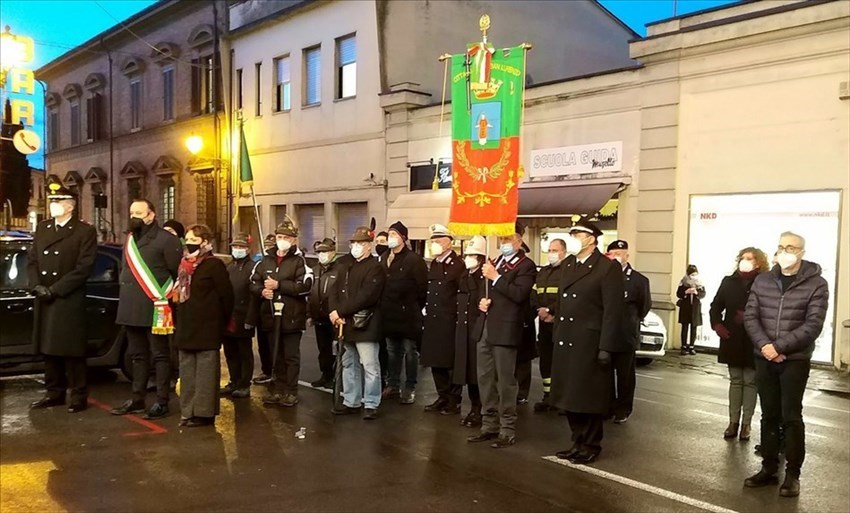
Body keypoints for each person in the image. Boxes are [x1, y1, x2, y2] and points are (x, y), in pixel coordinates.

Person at [743, 232, 828, 498]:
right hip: (764, 357)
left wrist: (779, 347)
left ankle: (792, 475)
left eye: (790, 247)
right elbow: (751, 316)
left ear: (802, 252)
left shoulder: (817, 284)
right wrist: (766, 348)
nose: (785, 252)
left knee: (791, 417)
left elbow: (813, 324)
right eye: (780, 247)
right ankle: (769, 468)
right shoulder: (763, 279)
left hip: (794, 360)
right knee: (768, 415)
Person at [549, 219, 624, 464]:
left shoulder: (605, 267)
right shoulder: (569, 263)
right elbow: (561, 302)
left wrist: (606, 346)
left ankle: (591, 444)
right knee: (570, 395)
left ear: (591, 238)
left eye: (578, 234)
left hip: (589, 339)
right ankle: (577, 441)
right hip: (567, 337)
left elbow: (613, 310)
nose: (574, 238)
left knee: (587, 396)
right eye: (572, 233)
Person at [28, 181, 97, 413]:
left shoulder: (84, 231)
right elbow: (32, 260)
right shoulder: (44, 228)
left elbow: (84, 267)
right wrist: (36, 285)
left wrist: (55, 289)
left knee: (71, 350)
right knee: (49, 349)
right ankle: (54, 393)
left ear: (70, 206)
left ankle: (78, 395)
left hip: (66, 295)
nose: (53, 205)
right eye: (52, 202)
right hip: (44, 294)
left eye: (57, 202)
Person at [110, 199, 183, 419]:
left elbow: (175, 274)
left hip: (155, 306)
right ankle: (137, 398)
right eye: (132, 212)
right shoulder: (131, 238)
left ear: (151, 215)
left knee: (160, 355)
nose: (134, 216)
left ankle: (162, 401)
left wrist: (165, 298)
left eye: (139, 212)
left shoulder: (166, 240)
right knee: (137, 355)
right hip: (131, 306)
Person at [468, 223, 537, 449]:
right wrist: (482, 301)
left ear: (519, 240)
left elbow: (519, 294)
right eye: (501, 239)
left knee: (505, 380)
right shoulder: (495, 261)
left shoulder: (526, 265)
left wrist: (497, 277)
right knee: (485, 379)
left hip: (506, 330)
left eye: (508, 239)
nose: (504, 243)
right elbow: (484, 290)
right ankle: (489, 424)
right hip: (486, 327)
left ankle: (507, 427)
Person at [173, 225, 234, 427]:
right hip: (185, 326)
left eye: (194, 240)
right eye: (187, 239)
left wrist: (222, 322)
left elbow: (227, 296)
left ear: (205, 242)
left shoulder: (214, 265)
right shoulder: (183, 265)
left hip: (207, 327)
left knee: (206, 373)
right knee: (187, 372)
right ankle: (187, 411)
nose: (189, 243)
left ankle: (204, 414)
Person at [251, 221, 312, 407]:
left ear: (294, 240)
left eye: (286, 238)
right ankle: (277, 389)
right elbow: (253, 282)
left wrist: (280, 286)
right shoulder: (265, 260)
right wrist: (262, 291)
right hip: (270, 316)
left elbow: (305, 286)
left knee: (291, 356)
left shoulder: (299, 261)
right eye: (279, 237)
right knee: (275, 354)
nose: (282, 241)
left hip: (291, 317)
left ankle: (291, 391)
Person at [710, 247, 768, 441]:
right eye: (743, 258)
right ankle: (733, 422)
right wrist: (717, 324)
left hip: (754, 339)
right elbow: (716, 305)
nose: (745, 261)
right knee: (736, 380)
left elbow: (770, 310)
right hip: (732, 338)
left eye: (750, 258)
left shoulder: (765, 282)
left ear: (758, 262)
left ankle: (746, 424)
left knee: (750, 381)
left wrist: (751, 318)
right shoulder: (729, 281)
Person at [329, 226, 386, 420]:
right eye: (354, 243)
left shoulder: (376, 267)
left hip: (366, 324)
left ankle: (371, 403)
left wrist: (341, 311)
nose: (356, 246)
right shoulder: (346, 266)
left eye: (361, 243)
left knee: (370, 365)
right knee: (348, 364)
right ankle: (351, 401)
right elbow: (335, 290)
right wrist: (334, 312)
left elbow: (367, 296)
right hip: (346, 323)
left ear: (369, 246)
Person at [379, 221, 427, 404]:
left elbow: (423, 288)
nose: (391, 238)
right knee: (392, 351)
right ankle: (393, 384)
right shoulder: (384, 257)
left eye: (394, 235)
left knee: (410, 351)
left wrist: (413, 306)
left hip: (408, 315)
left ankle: (410, 387)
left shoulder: (414, 260)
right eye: (390, 234)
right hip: (389, 315)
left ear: (403, 238)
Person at [421, 224, 466, 414]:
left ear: (449, 243)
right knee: (435, 360)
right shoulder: (435, 263)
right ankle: (442, 395)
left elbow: (461, 292)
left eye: (439, 241)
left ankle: (453, 400)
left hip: (449, 320)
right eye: (433, 241)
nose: (435, 245)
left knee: (450, 362)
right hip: (433, 319)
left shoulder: (457, 264)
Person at [605, 240, 651, 424]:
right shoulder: (604, 277)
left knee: (624, 375)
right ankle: (606, 406)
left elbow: (644, 307)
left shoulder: (639, 280)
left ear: (627, 255)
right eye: (612, 253)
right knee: (605, 373)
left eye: (619, 252)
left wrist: (630, 322)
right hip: (606, 333)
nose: (616, 256)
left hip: (625, 334)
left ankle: (623, 409)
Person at [452, 236, 487, 428]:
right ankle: (474, 407)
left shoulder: (483, 277)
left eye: (473, 255)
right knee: (467, 371)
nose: (469, 258)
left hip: (477, 329)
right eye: (467, 255)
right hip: (463, 328)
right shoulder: (464, 275)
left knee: (478, 372)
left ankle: (481, 409)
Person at [531, 239, 567, 412]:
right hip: (544, 324)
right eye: (550, 250)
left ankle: (563, 399)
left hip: (560, 324)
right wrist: (540, 310)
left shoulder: (568, 271)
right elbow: (534, 293)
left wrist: (551, 311)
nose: (552, 253)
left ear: (564, 252)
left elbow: (566, 297)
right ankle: (548, 396)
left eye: (555, 250)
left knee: (561, 362)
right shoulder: (543, 272)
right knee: (546, 361)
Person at [221, 233, 257, 399]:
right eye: (235, 247)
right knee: (230, 351)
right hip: (229, 316)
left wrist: (251, 318)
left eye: (241, 247)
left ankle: (244, 384)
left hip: (244, 316)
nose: (238, 250)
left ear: (248, 249)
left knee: (244, 352)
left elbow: (254, 295)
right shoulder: (229, 266)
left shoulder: (252, 267)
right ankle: (234, 381)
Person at [307, 237, 342, 388]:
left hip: (334, 317)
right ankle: (325, 375)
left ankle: (336, 378)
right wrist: (309, 315)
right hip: (319, 317)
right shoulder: (315, 270)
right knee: (323, 349)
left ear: (333, 252)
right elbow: (310, 294)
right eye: (320, 252)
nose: (322, 255)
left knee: (337, 349)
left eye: (325, 251)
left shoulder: (340, 270)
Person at [251, 234, 277, 384]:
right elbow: (254, 282)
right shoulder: (261, 261)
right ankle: (266, 370)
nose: (267, 248)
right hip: (262, 309)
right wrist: (261, 290)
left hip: (278, 311)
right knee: (263, 344)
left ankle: (276, 372)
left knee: (275, 345)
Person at [676, 264, 705, 355]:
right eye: (692, 274)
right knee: (685, 327)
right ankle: (684, 346)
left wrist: (696, 292)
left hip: (695, 308)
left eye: (695, 273)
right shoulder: (683, 281)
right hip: (685, 307)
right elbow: (678, 293)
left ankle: (692, 346)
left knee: (694, 327)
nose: (694, 276)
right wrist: (685, 292)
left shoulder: (700, 282)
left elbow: (703, 294)